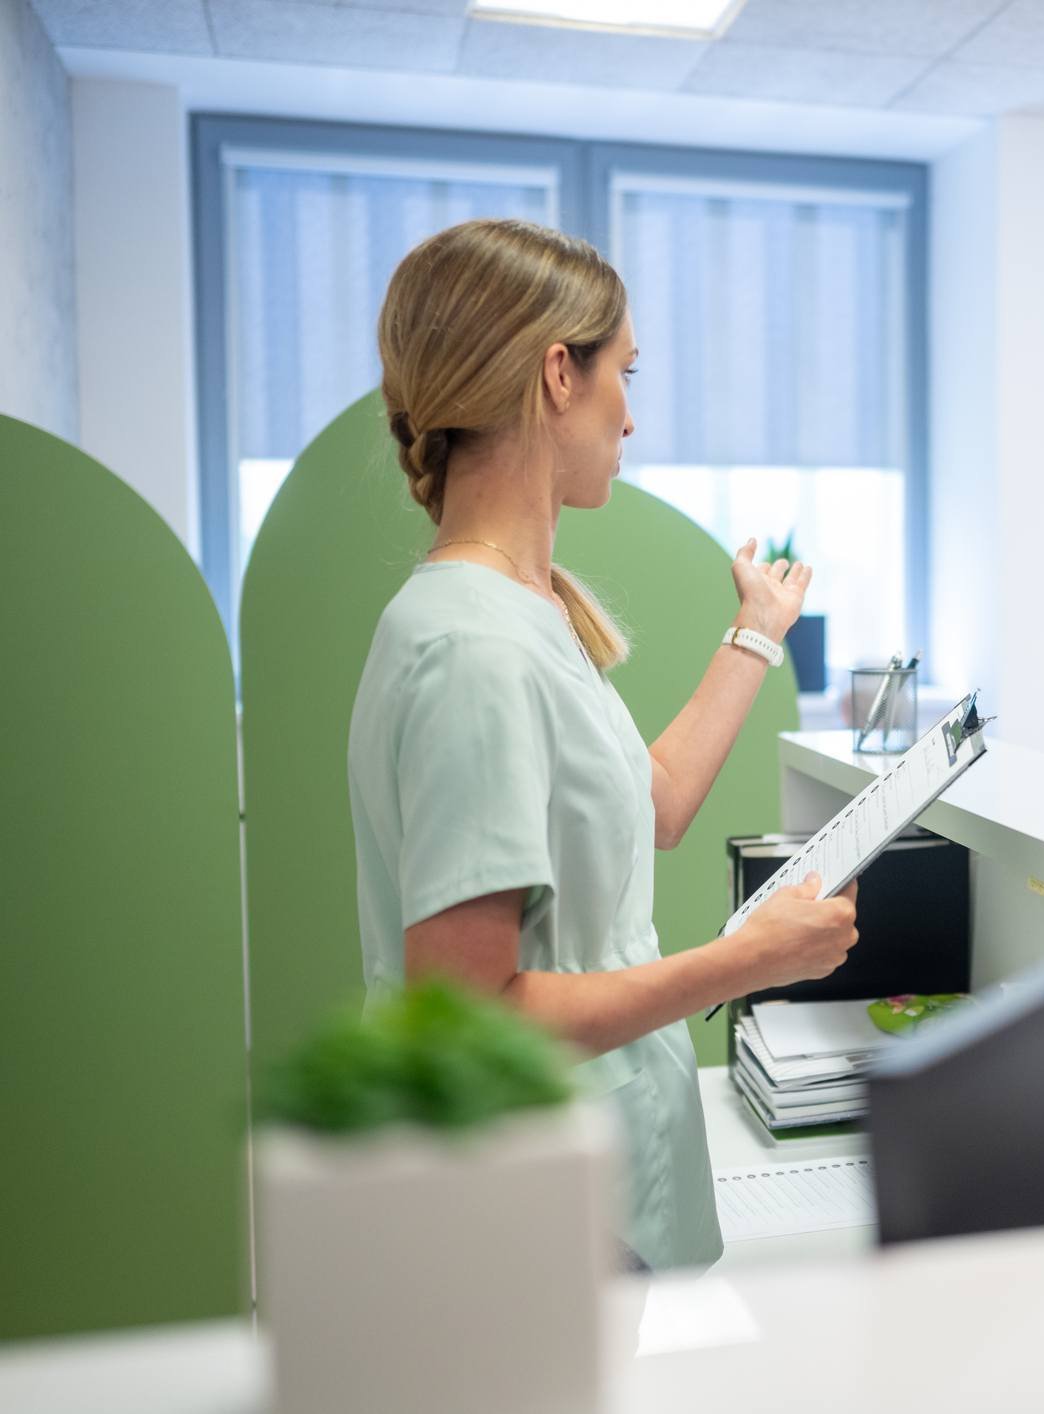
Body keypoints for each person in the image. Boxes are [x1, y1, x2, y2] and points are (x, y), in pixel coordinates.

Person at [347, 218, 859, 1271]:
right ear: (556, 376)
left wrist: (754, 633)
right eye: (623, 370)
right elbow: (472, 1017)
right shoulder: (471, 648)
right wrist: (742, 960)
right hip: (539, 1203)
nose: (633, 410)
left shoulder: (523, 608)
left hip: (601, 1171)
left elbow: (653, 801)